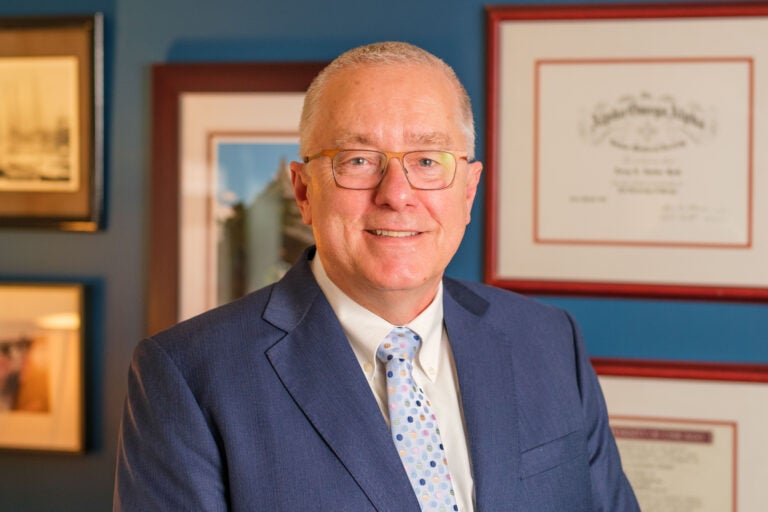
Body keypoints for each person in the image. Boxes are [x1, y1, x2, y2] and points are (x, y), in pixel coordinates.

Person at [114, 41, 639, 511]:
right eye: (359, 160)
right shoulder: (189, 375)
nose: (397, 194)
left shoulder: (547, 340)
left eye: (428, 161)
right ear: (303, 192)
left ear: (469, 191)